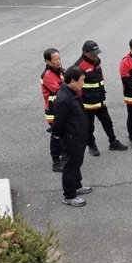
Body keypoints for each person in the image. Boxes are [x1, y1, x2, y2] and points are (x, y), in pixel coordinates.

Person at [74, 40, 127, 156]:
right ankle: (92, 146)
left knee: (108, 122)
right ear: (85, 52)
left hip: (100, 100)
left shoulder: (96, 61)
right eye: (93, 54)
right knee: (89, 126)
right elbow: (75, 87)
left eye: (96, 53)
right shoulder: (79, 66)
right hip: (87, 104)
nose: (95, 56)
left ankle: (113, 142)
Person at [51, 65, 92, 207]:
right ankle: (69, 195)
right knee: (70, 165)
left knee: (76, 163)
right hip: (71, 138)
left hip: (78, 136)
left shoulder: (71, 92)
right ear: (73, 81)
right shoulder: (63, 98)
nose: (83, 83)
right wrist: (57, 137)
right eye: (81, 81)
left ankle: (76, 185)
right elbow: (59, 121)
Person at [41, 48, 65, 172]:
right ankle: (56, 162)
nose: (59, 61)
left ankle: (62, 157)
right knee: (56, 135)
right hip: (53, 111)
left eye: (59, 58)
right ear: (47, 61)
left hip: (60, 109)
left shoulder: (59, 71)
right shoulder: (47, 76)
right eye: (55, 59)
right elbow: (60, 90)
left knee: (63, 134)